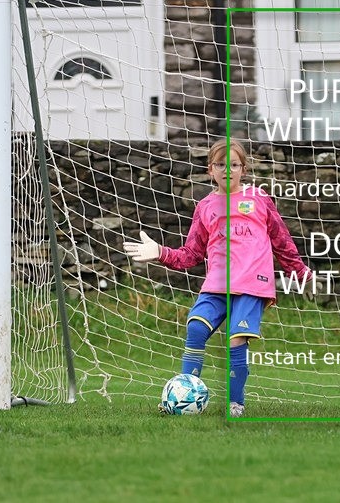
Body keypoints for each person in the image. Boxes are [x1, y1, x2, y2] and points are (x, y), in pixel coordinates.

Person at [124, 139, 316, 417]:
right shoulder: (205, 207)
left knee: (237, 339)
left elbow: (280, 238)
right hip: (217, 285)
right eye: (220, 165)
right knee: (196, 329)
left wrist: (298, 270)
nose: (228, 170)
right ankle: (183, 396)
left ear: (244, 169)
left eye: (234, 165)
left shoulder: (259, 199)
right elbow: (191, 254)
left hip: (252, 284)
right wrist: (160, 252)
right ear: (210, 170)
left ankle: (235, 403)